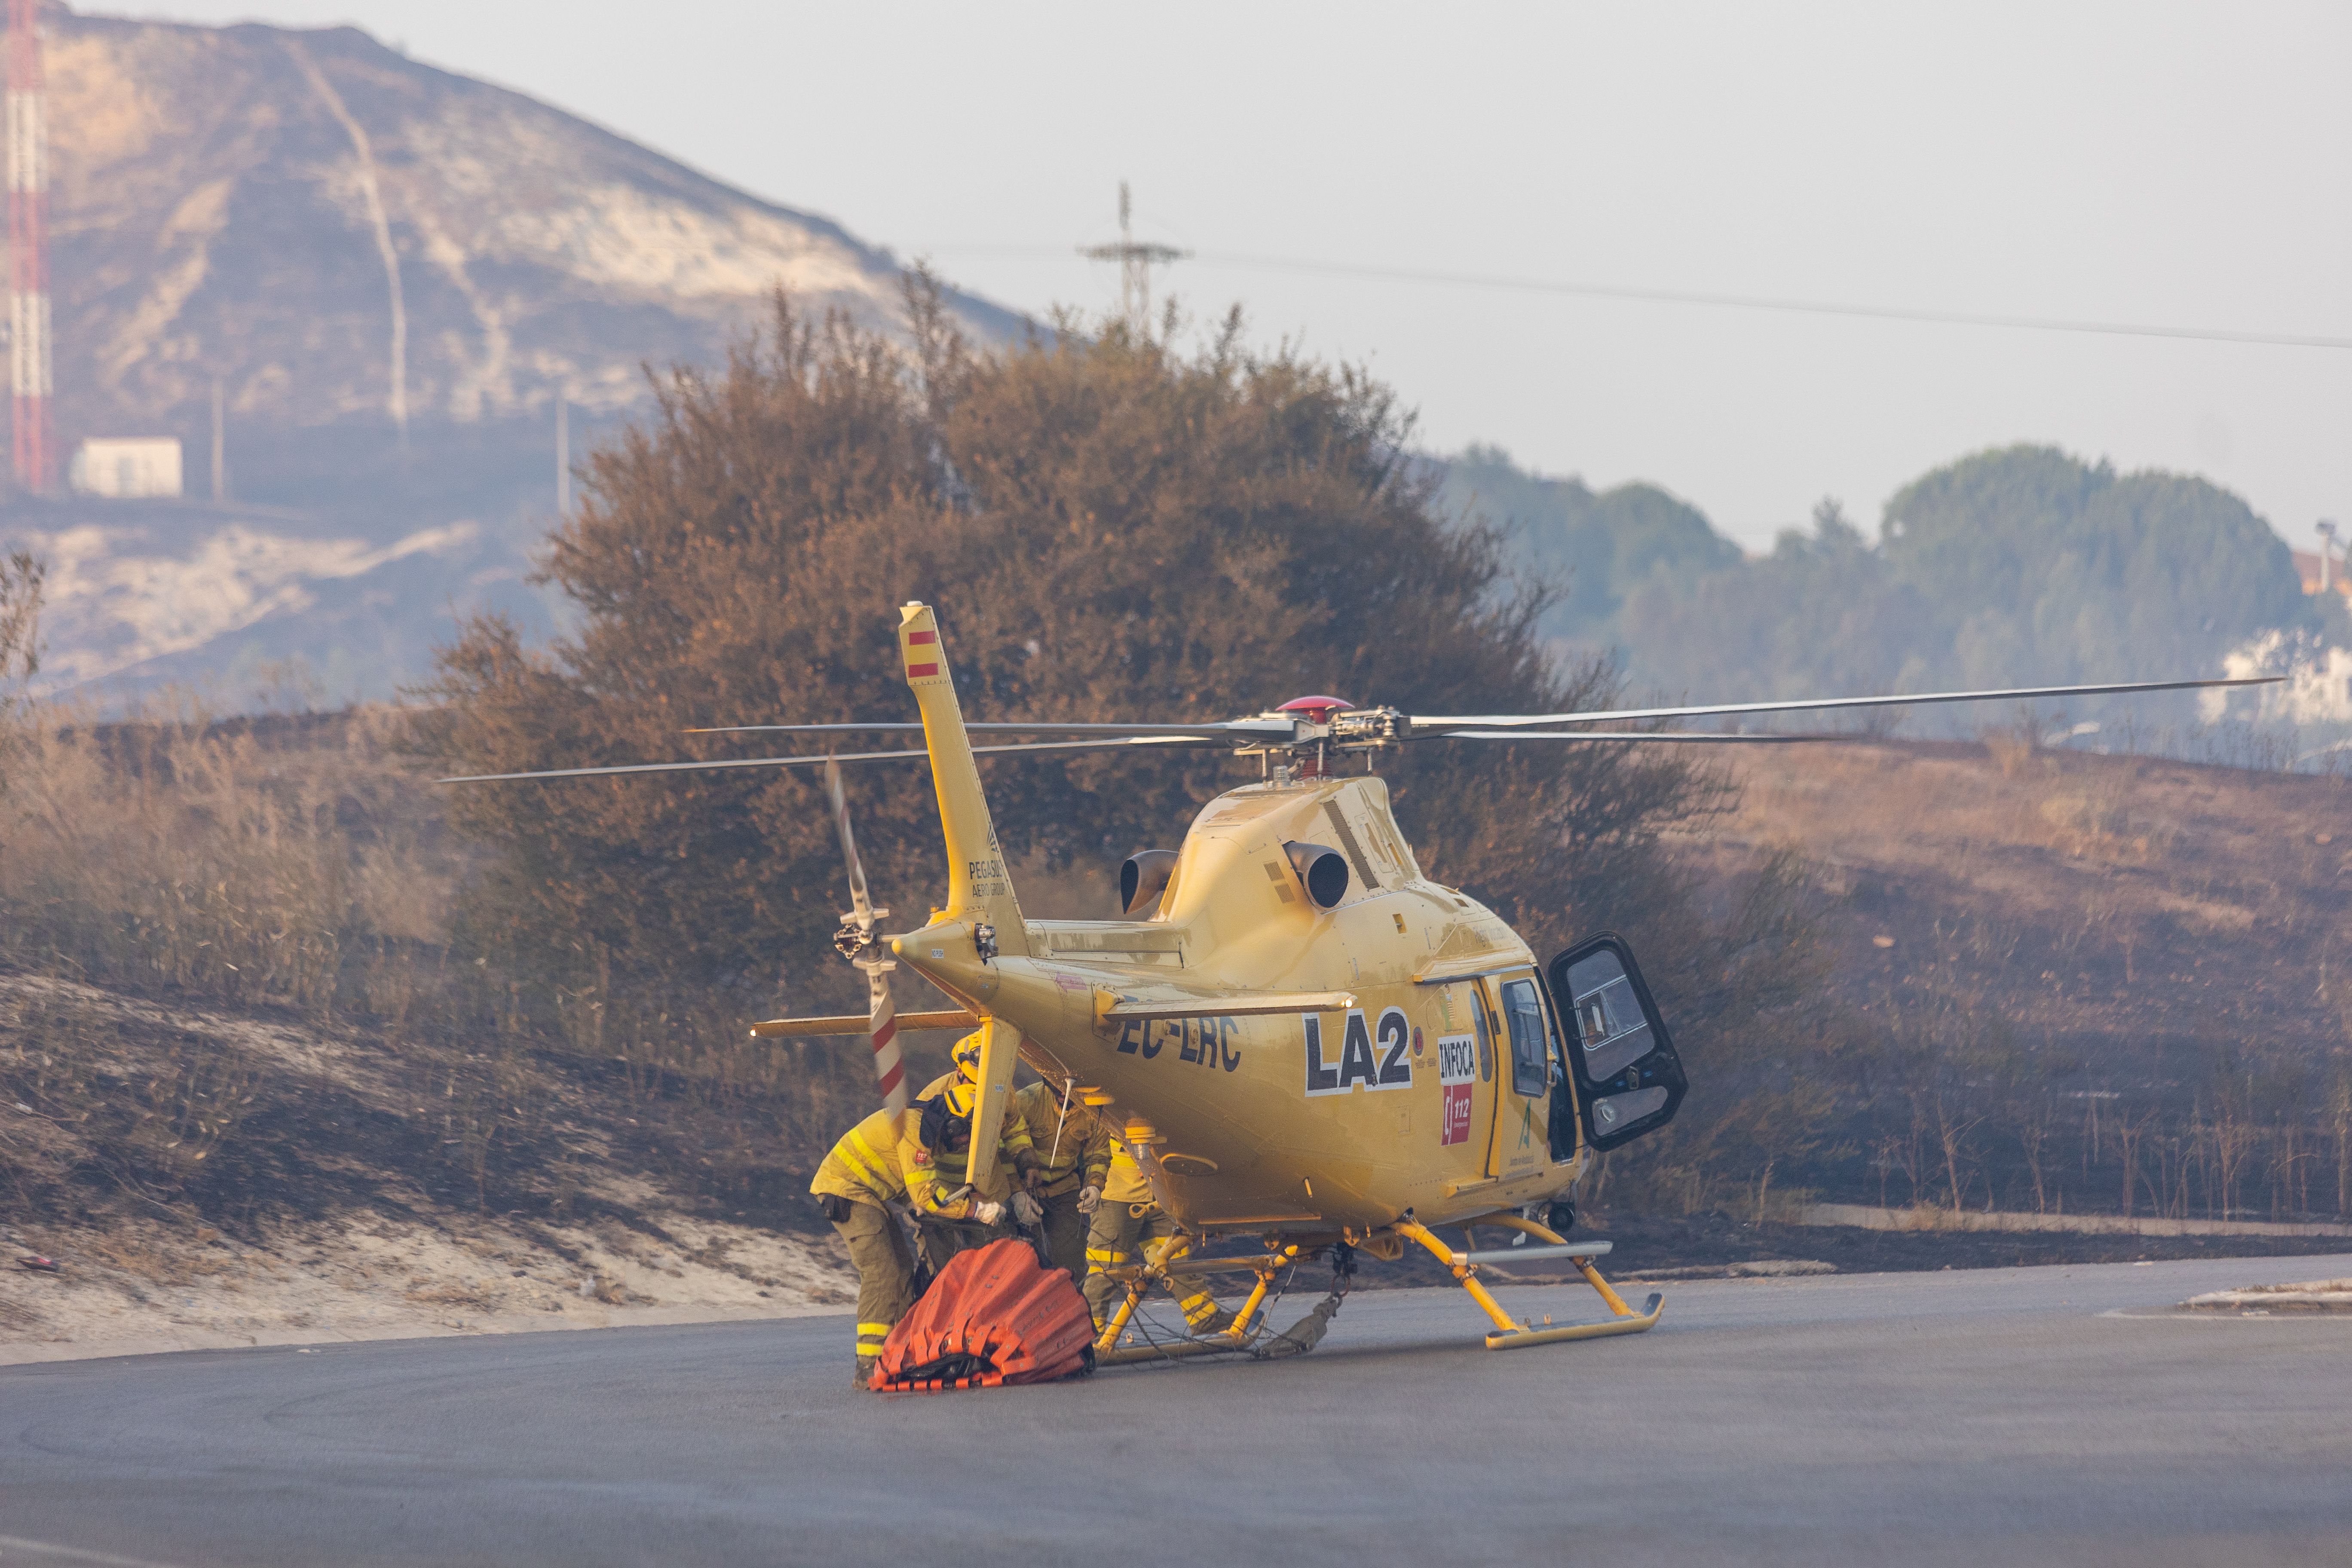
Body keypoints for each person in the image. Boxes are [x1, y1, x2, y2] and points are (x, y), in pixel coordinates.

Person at [808, 1104, 923, 1390]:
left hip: (868, 1194)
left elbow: (905, 1178)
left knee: (903, 1269)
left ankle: (898, 1354)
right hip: (845, 1190)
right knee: (882, 1273)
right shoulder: (918, 1133)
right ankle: (869, 1365)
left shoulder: (922, 1127)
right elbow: (920, 1182)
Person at [1081, 1135, 1232, 1337]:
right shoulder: (1112, 1107)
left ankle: (1204, 1319)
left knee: (1175, 1262)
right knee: (1104, 1272)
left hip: (1157, 1194)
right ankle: (1086, 1337)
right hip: (1117, 1197)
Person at [903, 1081, 1036, 1273]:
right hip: (941, 1191)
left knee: (989, 1266)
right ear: (952, 1127)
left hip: (982, 1192)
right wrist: (911, 1199)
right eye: (968, 1135)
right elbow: (913, 1168)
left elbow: (1010, 1136)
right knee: (942, 1269)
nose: (969, 1143)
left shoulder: (1000, 1094)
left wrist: (1018, 1187)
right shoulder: (921, 1121)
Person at [1011, 1076, 1111, 1285]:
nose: (1063, 1095)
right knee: (1025, 1260)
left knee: (1071, 1261)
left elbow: (1099, 1155)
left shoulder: (1095, 1109)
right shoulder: (1026, 1101)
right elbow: (1005, 1148)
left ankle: (1068, 1307)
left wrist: (1094, 1186)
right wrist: (1016, 1194)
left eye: (1070, 1092)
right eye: (1058, 1090)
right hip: (1027, 1189)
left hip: (1066, 1190)